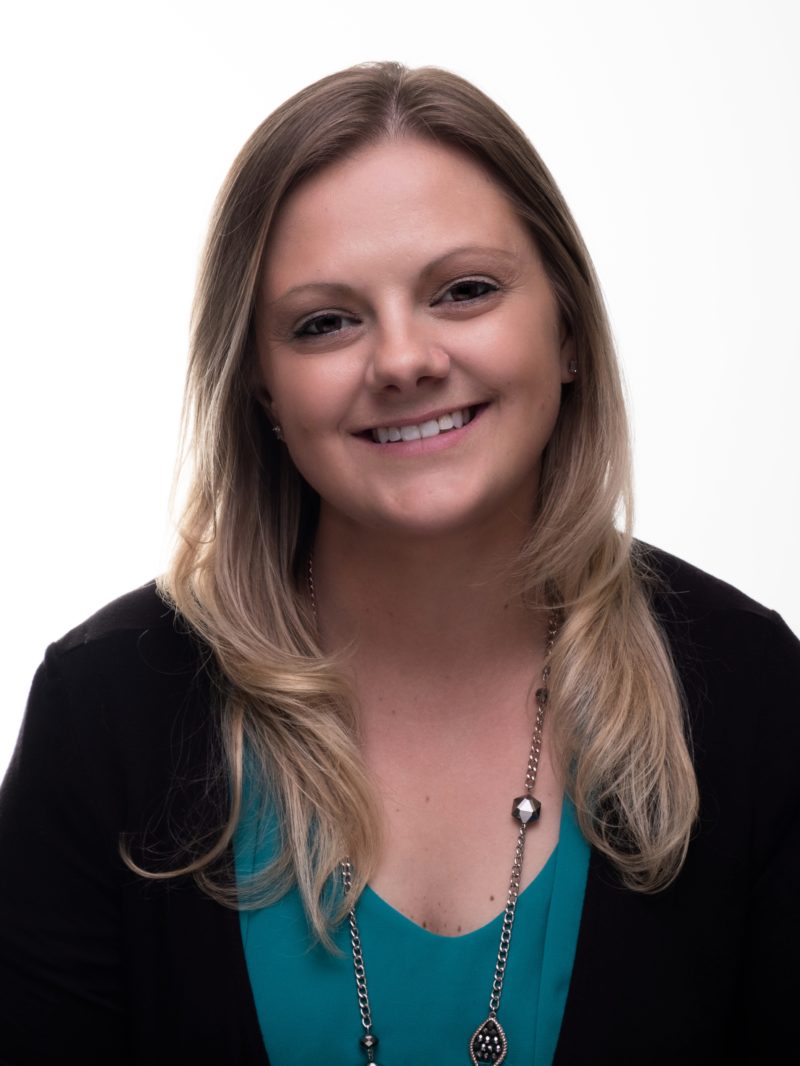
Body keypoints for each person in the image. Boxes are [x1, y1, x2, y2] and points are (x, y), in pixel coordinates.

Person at [0, 61, 797, 1066]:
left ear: (566, 331)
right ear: (260, 385)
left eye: (462, 291)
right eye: (325, 321)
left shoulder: (748, 685)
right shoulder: (105, 709)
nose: (402, 360)